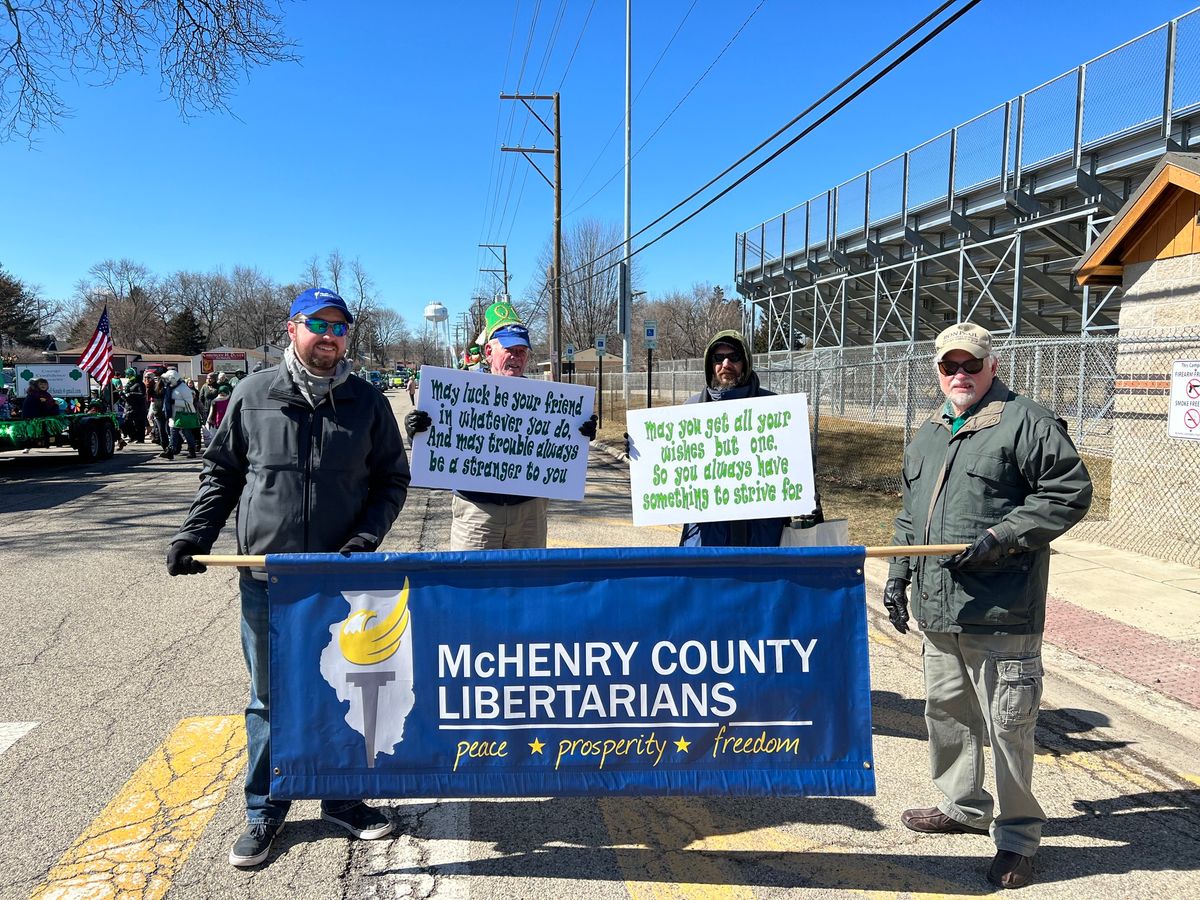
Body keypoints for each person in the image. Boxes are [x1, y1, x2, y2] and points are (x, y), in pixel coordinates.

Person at [165, 286, 410, 868]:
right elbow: (222, 474)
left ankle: (343, 799)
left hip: (340, 580)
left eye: (340, 326)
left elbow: (390, 481)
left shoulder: (368, 403)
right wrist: (194, 535)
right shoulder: (251, 397)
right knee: (270, 697)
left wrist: (365, 539)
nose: (330, 336)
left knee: (346, 690)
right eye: (318, 324)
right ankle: (264, 809)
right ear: (291, 328)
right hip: (266, 580)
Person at [884, 323, 1092, 891]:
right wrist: (898, 576)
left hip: (1000, 613)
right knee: (947, 715)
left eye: (970, 365)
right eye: (950, 366)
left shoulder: (1025, 422)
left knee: (1008, 726)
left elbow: (1070, 491)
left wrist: (1007, 534)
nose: (960, 375)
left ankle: (1019, 837)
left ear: (991, 367)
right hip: (939, 611)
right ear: (937, 371)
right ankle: (963, 807)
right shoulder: (928, 432)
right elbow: (910, 516)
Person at [404, 300, 595, 550]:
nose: (516, 357)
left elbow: (560, 451)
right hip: (477, 511)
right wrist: (416, 432)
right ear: (489, 353)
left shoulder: (547, 403)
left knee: (525, 584)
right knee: (474, 585)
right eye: (509, 349)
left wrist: (580, 432)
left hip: (529, 512)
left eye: (522, 351)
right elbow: (436, 444)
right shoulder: (460, 394)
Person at [678, 330, 789, 547]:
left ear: (745, 362)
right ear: (710, 364)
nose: (726, 363)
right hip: (705, 536)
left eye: (734, 357)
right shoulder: (690, 410)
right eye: (718, 358)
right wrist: (639, 451)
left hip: (762, 536)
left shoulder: (774, 407)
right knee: (705, 581)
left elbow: (798, 462)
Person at [160, 369, 201, 459]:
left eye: (168, 379)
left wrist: (175, 401)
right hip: (175, 414)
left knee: (185, 432)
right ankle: (171, 451)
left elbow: (189, 402)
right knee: (174, 432)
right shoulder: (171, 388)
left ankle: (191, 450)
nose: (167, 381)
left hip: (184, 414)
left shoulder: (183, 388)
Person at [123, 368, 147, 443]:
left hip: (139, 406)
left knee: (139, 423)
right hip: (130, 405)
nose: (128, 377)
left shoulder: (139, 383)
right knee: (127, 421)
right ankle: (133, 436)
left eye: (129, 375)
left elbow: (142, 394)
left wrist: (131, 394)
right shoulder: (129, 383)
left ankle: (140, 438)